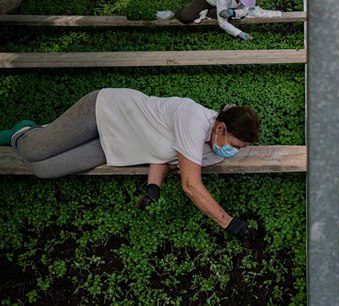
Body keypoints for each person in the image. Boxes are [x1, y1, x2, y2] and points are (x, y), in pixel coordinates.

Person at [0, 88, 260, 241]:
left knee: (43, 169)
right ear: (221, 127)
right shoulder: (191, 117)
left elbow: (169, 159)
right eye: (235, 145)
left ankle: (45, 134)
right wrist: (228, 222)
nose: (232, 152)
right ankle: (23, 130)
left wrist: (153, 188)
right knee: (33, 150)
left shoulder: (217, 150)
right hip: (106, 111)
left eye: (239, 150)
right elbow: (191, 184)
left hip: (115, 145)